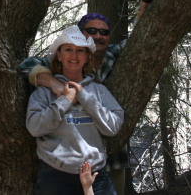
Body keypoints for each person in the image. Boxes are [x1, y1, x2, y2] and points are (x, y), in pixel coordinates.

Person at [19, 0, 160, 195]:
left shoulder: (112, 57)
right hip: (59, 169)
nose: (98, 35)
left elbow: (139, 39)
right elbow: (25, 66)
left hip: (107, 163)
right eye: (91, 30)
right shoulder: (58, 64)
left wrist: (145, 4)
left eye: (103, 32)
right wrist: (57, 87)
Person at [26, 25, 124, 195]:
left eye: (80, 51)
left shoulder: (99, 90)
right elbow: (34, 127)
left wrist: (84, 97)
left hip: (95, 175)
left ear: (87, 57)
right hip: (55, 176)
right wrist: (65, 101)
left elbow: (113, 127)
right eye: (68, 50)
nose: (74, 56)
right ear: (59, 55)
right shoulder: (44, 91)